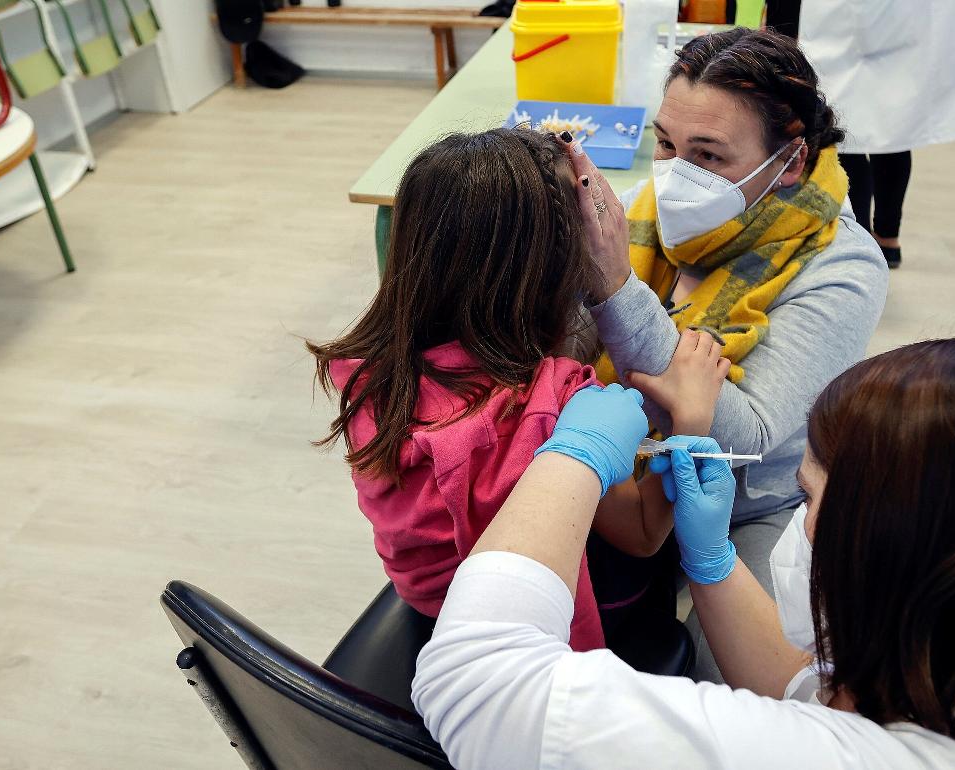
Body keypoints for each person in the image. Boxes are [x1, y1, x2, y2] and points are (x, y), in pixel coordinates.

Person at [412, 338, 955, 769]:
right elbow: (809, 691)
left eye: (812, 499)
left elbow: (474, 679)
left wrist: (574, 455)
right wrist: (713, 560)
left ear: (890, 549)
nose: (801, 519)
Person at [307, 129, 729, 652]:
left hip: (432, 605)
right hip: (544, 626)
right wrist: (691, 423)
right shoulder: (557, 406)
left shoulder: (372, 368)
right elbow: (643, 534)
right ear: (556, 271)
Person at [560, 27, 888, 680]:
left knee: (743, 685)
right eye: (666, 144)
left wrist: (617, 291)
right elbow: (565, 343)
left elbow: (751, 433)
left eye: (709, 156)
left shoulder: (842, 266)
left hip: (749, 502)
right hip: (626, 470)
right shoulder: (645, 216)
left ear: (790, 162)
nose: (676, 174)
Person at [794, 1, 955, 268]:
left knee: (847, 136)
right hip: (903, 27)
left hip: (845, 27)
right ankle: (887, 239)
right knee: (892, 131)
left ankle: (860, 238)